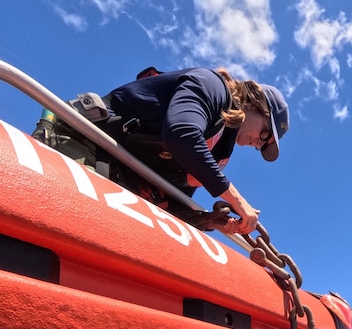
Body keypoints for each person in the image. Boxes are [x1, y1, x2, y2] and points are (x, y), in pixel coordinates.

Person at [35, 66, 289, 234]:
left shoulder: (218, 151)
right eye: (264, 135)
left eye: (262, 147)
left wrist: (207, 220)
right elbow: (181, 132)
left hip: (117, 179)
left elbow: (172, 203)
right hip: (85, 143)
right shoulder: (212, 87)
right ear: (255, 102)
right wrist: (236, 199)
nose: (258, 144)